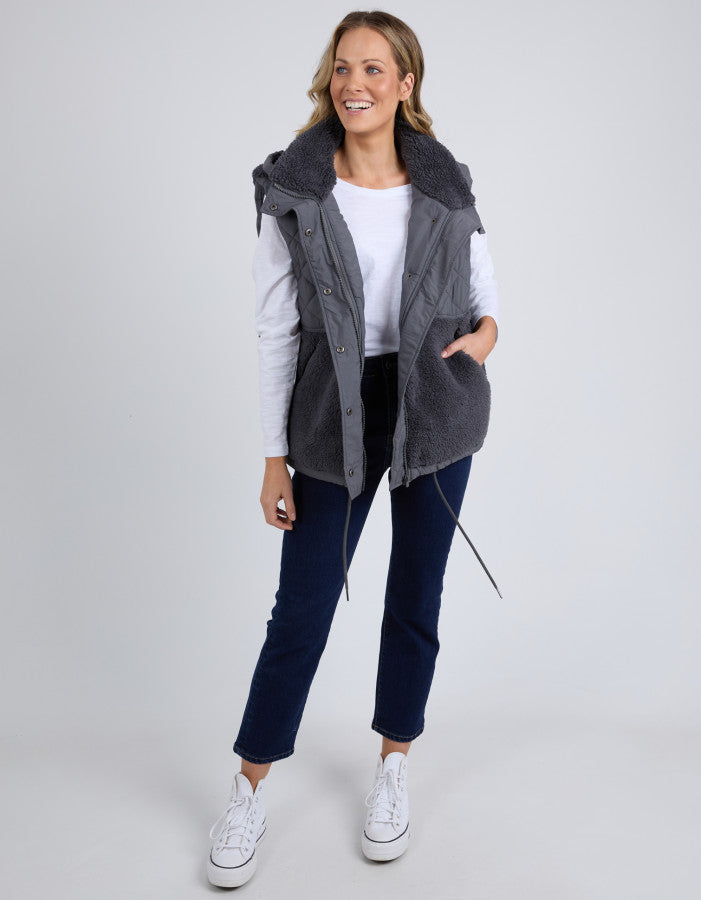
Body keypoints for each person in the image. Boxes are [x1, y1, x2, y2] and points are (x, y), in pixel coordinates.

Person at [206, 9, 502, 888]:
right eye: (343, 68)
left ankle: (393, 767)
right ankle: (249, 786)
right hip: (329, 417)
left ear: (406, 83)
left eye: (375, 69)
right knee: (302, 609)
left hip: (433, 410)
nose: (355, 84)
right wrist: (273, 456)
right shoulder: (294, 190)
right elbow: (275, 329)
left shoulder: (444, 183)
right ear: (328, 80)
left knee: (415, 597)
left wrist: (482, 341)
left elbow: (487, 299)